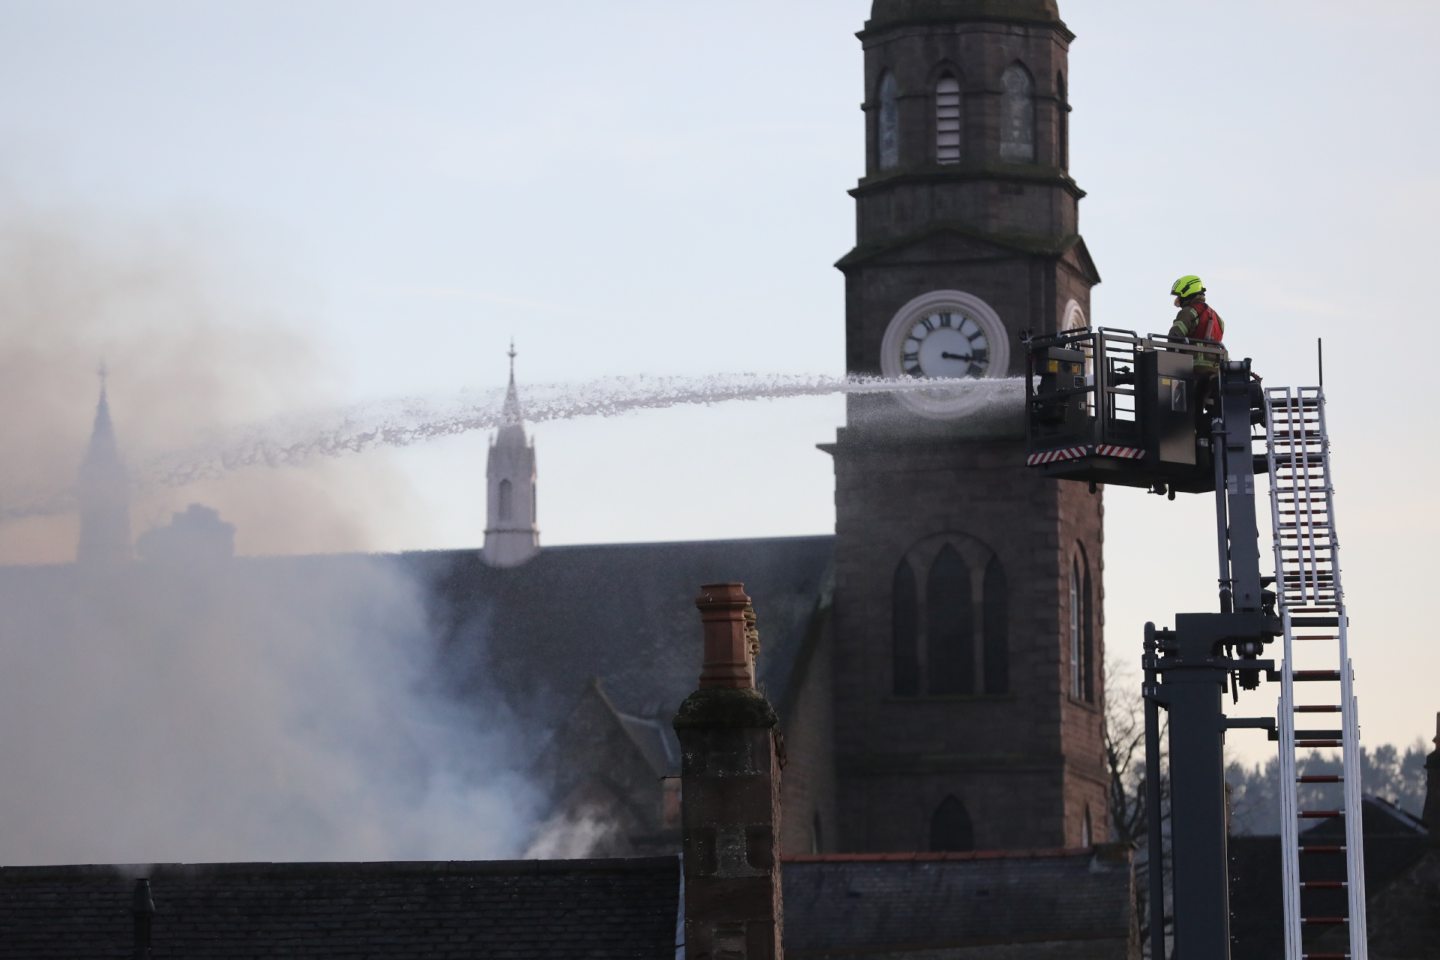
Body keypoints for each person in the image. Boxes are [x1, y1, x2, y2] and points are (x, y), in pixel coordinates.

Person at [1168, 274, 1224, 345]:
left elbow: (1174, 338)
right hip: (1215, 356)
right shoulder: (1218, 318)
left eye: (1179, 296)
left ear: (1186, 293)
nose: (1176, 299)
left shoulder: (1187, 312)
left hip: (1190, 355)